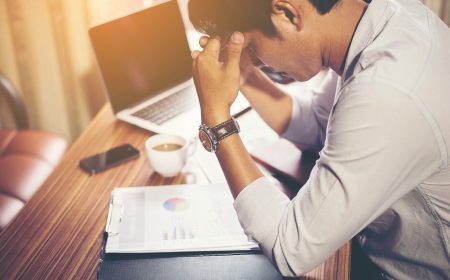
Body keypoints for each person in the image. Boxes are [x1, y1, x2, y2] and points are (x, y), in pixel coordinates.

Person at [188, 0, 450, 278]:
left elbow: (290, 249)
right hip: (369, 241)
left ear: (288, 13)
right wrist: (244, 74)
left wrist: (217, 117)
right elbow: (315, 125)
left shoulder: (386, 91)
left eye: (251, 47)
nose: (255, 60)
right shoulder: (380, 20)